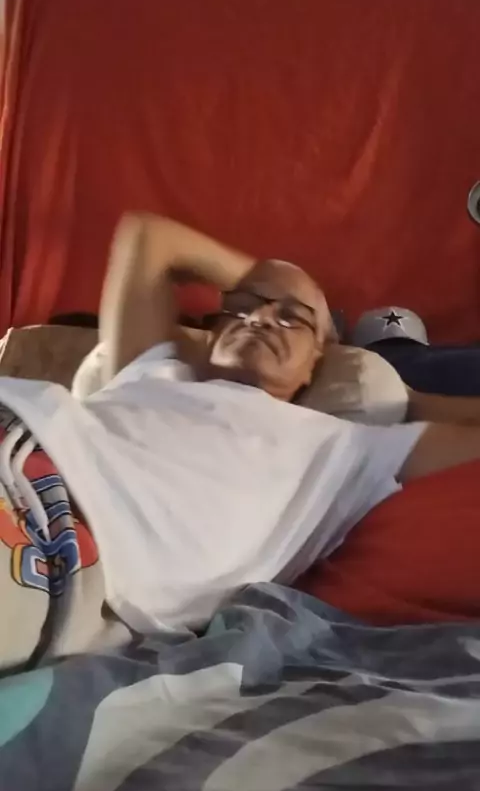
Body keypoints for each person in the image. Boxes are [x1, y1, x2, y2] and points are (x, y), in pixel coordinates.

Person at [1, 212, 480, 637]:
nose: (261, 319)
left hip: (53, 537)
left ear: (317, 359)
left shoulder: (346, 449)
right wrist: (282, 290)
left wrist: (412, 400)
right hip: (18, 423)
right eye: (244, 307)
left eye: (291, 319)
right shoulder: (153, 370)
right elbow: (147, 237)